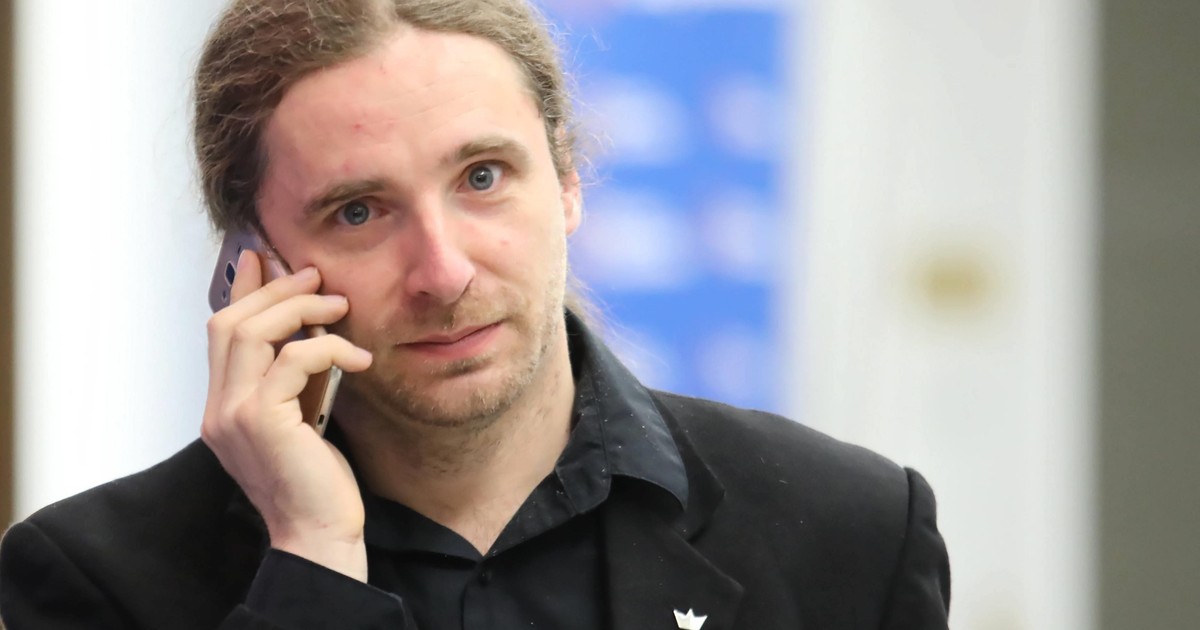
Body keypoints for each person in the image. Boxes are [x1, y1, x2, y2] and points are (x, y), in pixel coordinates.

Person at [0, 0, 951, 628]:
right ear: (252, 266)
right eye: (359, 211)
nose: (443, 271)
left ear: (568, 178)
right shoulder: (97, 580)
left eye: (483, 177)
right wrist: (314, 563)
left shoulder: (853, 530)